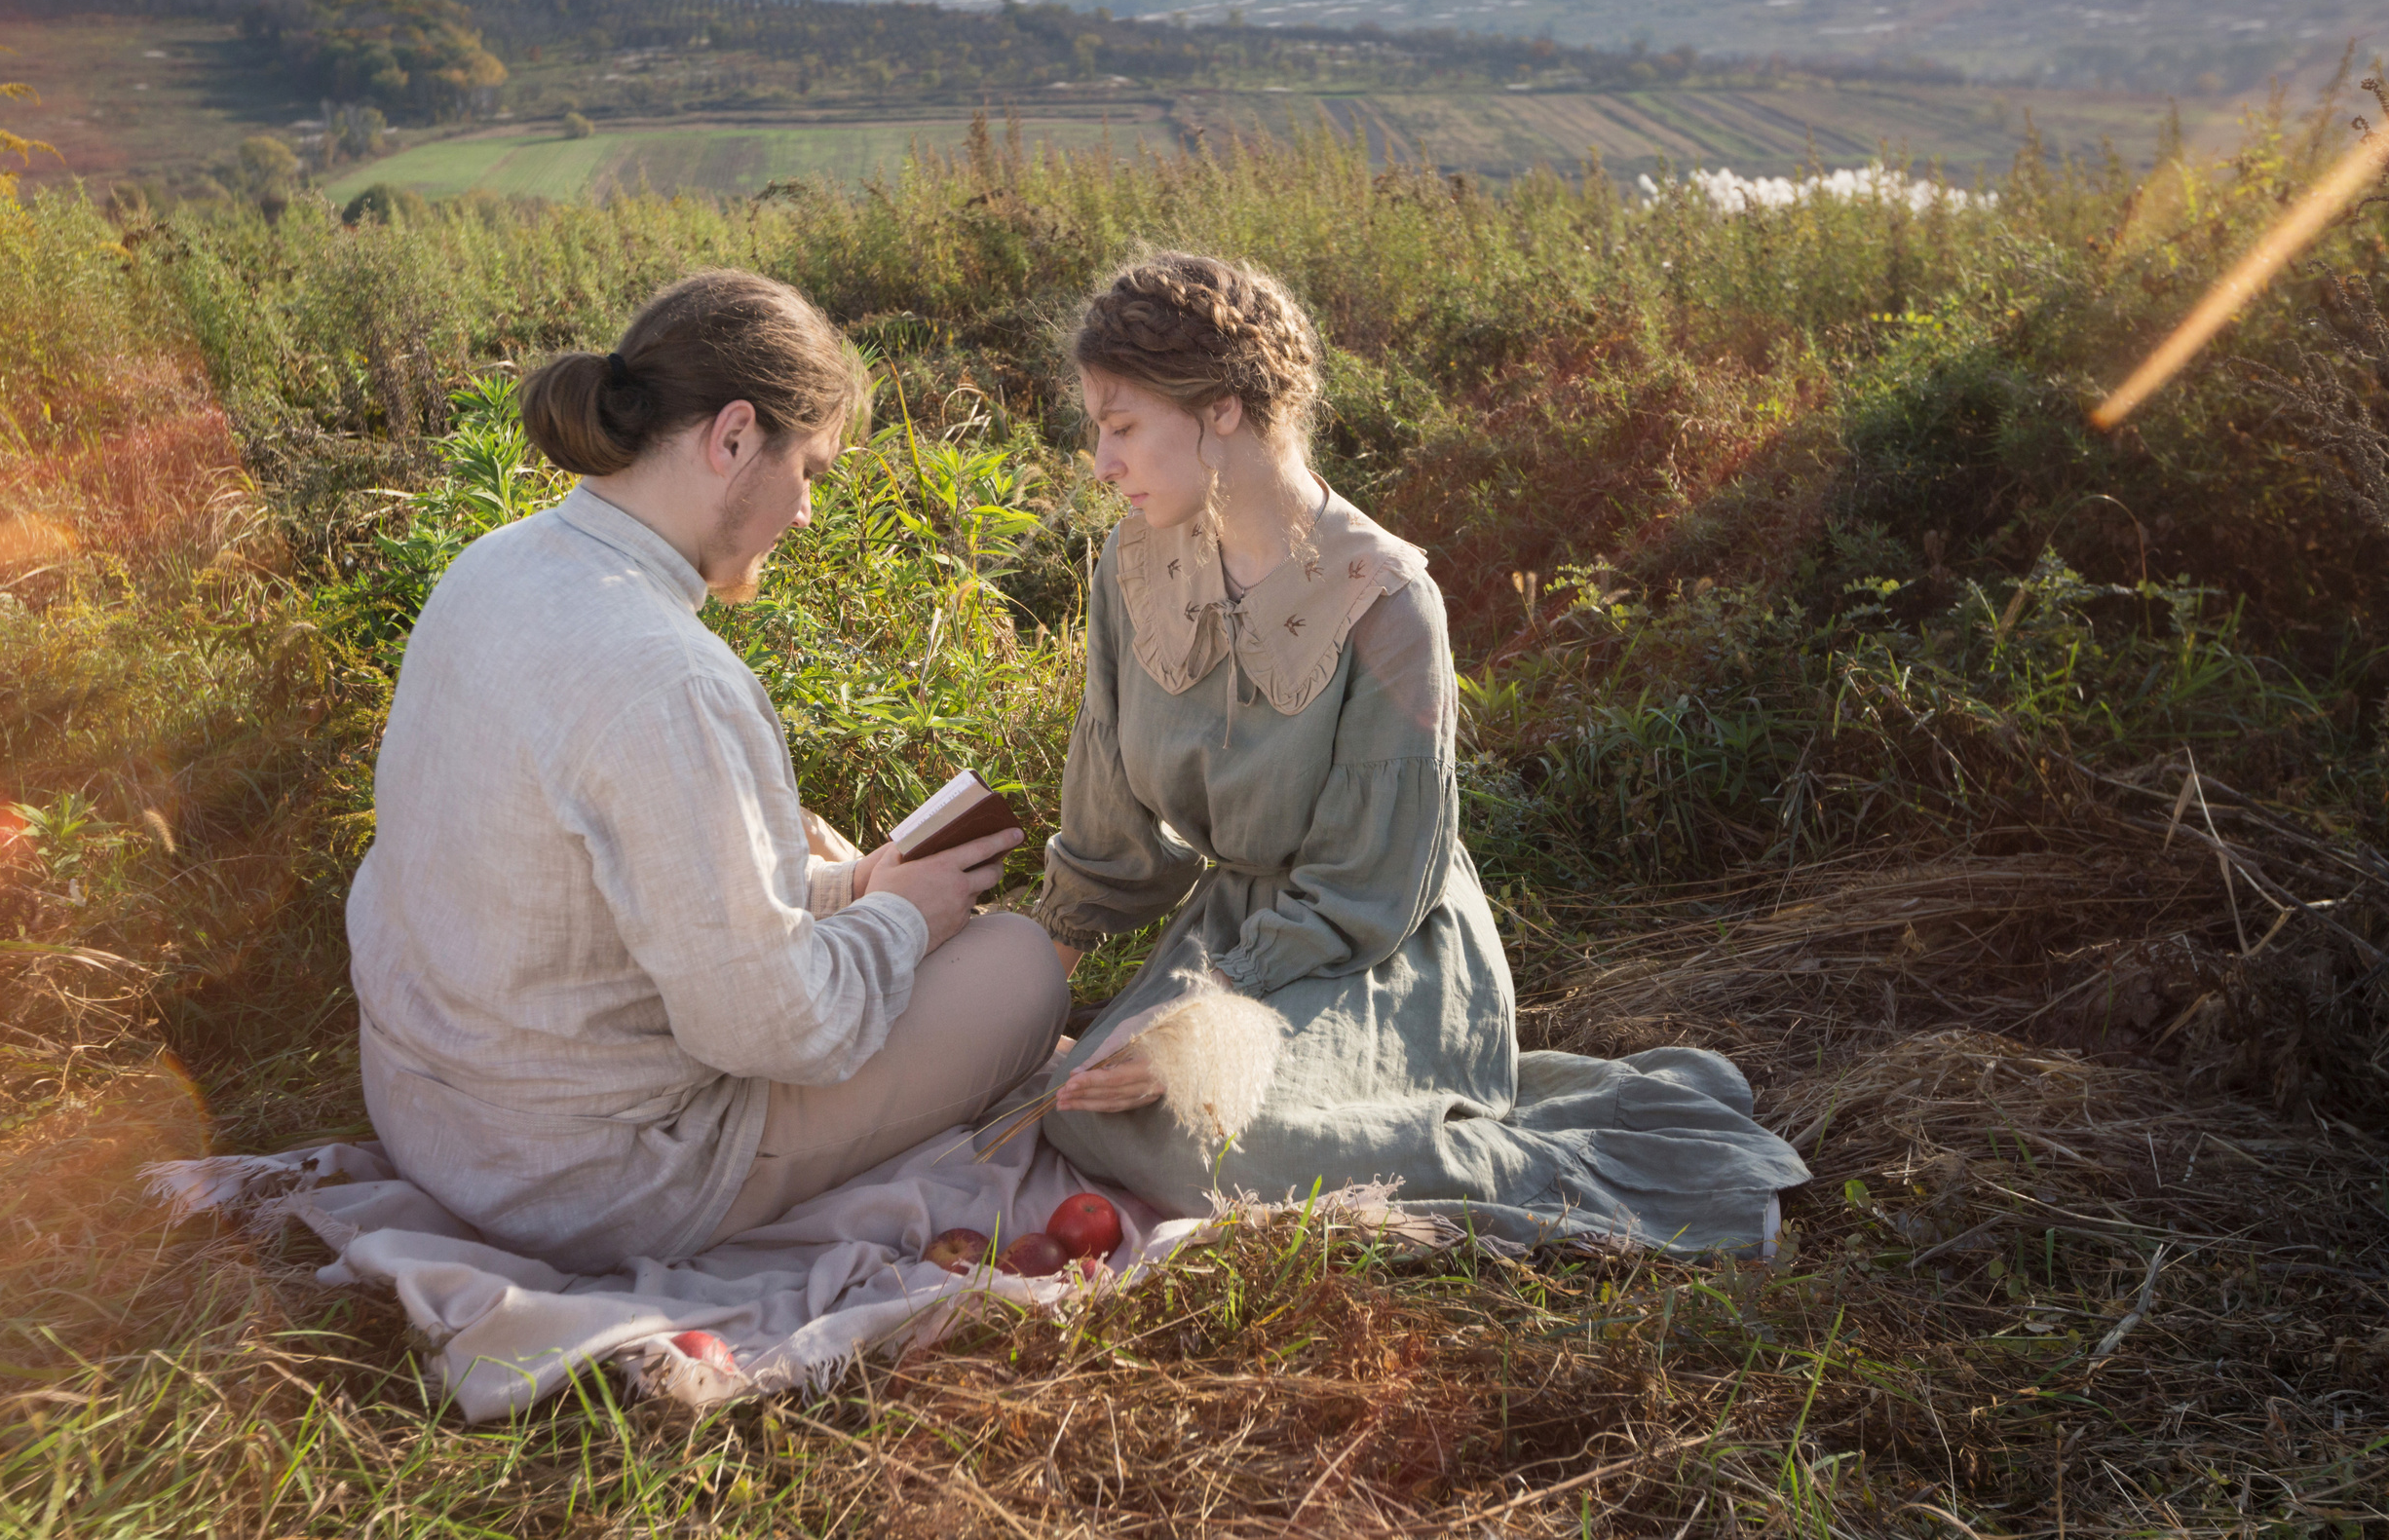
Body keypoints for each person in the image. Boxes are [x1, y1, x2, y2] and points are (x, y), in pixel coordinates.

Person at [1036, 252, 1808, 1250]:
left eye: (1122, 426)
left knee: (1216, 1151)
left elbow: (1367, 883)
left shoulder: (1387, 599)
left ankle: (1570, 1155)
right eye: (1099, 430)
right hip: (1230, 931)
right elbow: (1112, 826)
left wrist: (1197, 1024)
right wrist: (1030, 983)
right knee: (1076, 1107)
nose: (1101, 463)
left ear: (1222, 408)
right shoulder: (1133, 565)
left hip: (1378, 942)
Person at [348, 269, 1068, 1274]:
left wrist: (849, 889)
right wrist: (910, 918)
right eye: (809, 469)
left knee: (886, 914)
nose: (807, 513)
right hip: (590, 1181)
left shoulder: (494, 565)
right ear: (733, 438)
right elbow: (775, 1029)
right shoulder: (667, 675)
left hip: (427, 1111)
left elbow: (613, 908)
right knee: (1022, 965)